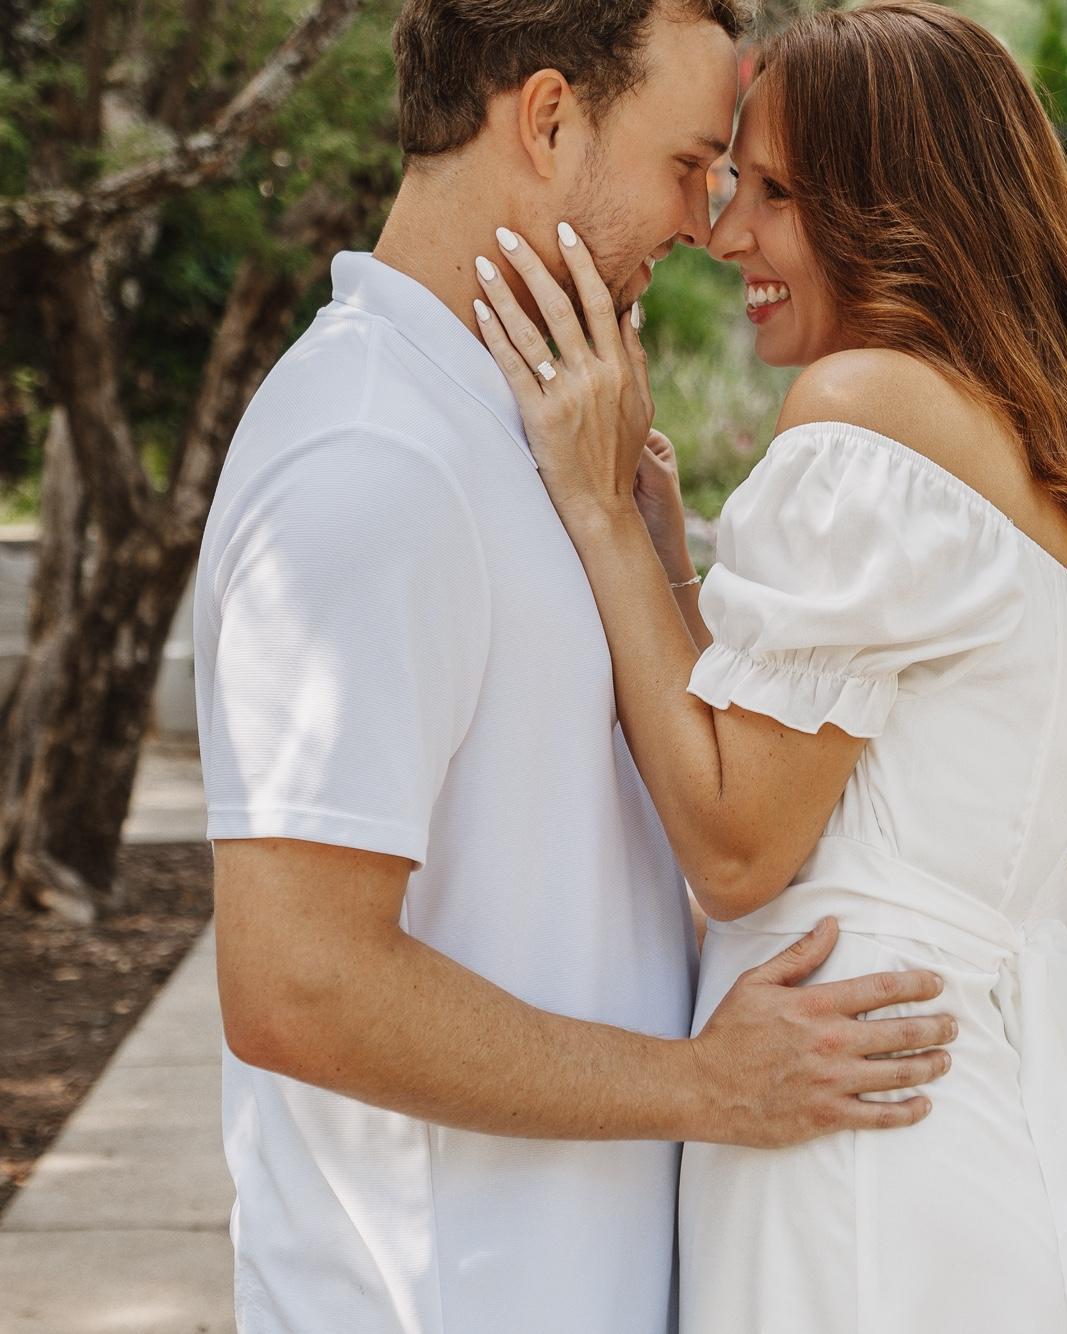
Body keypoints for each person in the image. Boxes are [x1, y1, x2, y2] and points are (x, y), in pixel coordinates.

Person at [195, 2, 959, 1330]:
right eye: (690, 164)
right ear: (548, 120)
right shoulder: (369, 459)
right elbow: (297, 985)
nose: (706, 223)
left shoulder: (516, 431)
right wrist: (706, 1084)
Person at [472, 2, 1067, 1330]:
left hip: (848, 1132)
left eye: (777, 193)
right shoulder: (992, 430)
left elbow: (739, 848)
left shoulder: (867, 406)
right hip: (912, 1104)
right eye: (730, 181)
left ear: (901, 210)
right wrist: (664, 551)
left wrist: (597, 511)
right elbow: (789, 767)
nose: (726, 232)